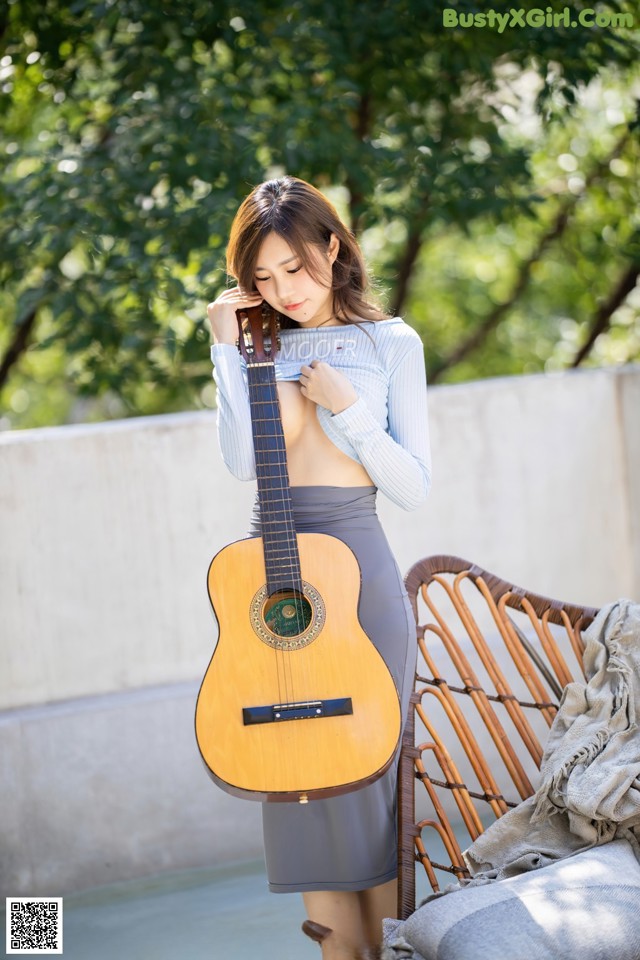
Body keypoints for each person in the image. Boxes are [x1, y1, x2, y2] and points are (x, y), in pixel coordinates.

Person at [207, 175, 431, 960]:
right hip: (275, 579)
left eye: (295, 269)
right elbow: (242, 462)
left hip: (360, 575)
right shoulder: (253, 344)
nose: (284, 292)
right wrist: (223, 352)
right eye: (263, 278)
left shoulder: (389, 344)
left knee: (369, 778)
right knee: (292, 770)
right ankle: (339, 953)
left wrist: (349, 409)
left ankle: (392, 947)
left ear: (333, 248)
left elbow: (412, 484)